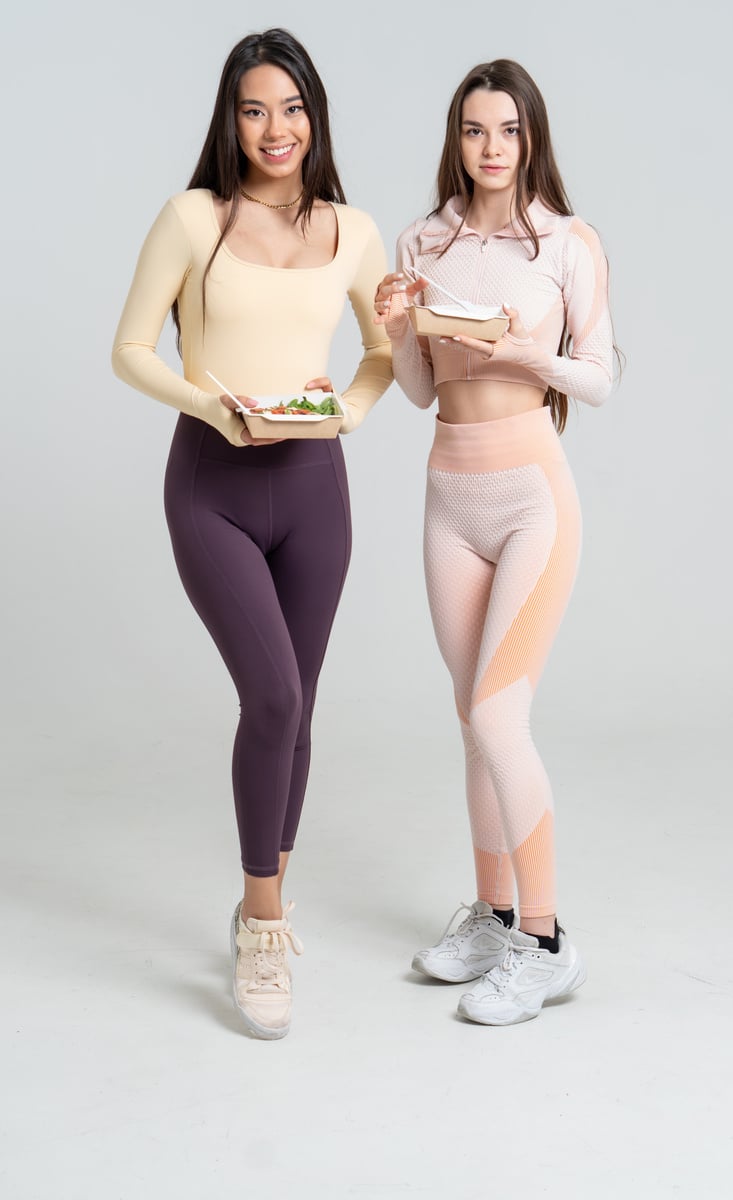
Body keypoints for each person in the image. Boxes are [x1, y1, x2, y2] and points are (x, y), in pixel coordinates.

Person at [112, 28, 392, 1040]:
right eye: (253, 109)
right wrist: (207, 403)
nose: (275, 129)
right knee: (268, 694)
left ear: (315, 117)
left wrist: (351, 412)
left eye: (291, 108)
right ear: (230, 122)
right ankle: (263, 927)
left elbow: (378, 354)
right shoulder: (194, 218)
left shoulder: (352, 232)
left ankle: (260, 889)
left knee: (298, 709)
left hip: (314, 484)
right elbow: (128, 348)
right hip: (214, 484)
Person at [374, 59, 616, 1026]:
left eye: (506, 131)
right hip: (448, 498)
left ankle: (546, 940)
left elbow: (595, 379)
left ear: (531, 138)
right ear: (457, 138)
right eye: (475, 130)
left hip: (530, 502)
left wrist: (523, 353)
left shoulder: (566, 242)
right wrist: (397, 330)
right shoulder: (423, 240)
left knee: (500, 717)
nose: (490, 149)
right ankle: (493, 911)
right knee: (471, 723)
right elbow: (423, 391)